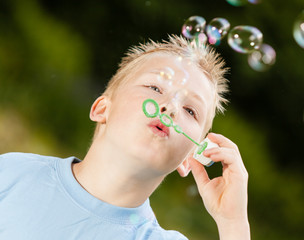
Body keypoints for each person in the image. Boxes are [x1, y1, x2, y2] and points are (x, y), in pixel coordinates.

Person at [0, 35, 250, 240]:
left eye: (190, 110)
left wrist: (233, 222)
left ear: (189, 159)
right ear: (102, 109)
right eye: (155, 88)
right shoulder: (12, 173)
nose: (171, 108)